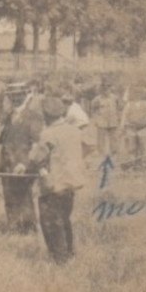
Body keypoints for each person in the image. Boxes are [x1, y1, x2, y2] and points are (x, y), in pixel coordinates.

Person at [20, 97, 86, 264]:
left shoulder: (48, 134)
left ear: (46, 116)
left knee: (50, 223)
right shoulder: (74, 131)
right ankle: (70, 254)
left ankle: (60, 261)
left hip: (52, 187)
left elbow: (36, 158)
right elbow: (88, 146)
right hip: (70, 186)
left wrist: (24, 168)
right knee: (64, 220)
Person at [0, 84, 44, 234]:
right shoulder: (6, 117)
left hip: (24, 164)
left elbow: (37, 144)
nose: (15, 99)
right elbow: (3, 142)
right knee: (8, 195)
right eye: (12, 96)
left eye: (19, 96)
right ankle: (13, 227)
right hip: (6, 163)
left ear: (25, 96)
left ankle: (29, 228)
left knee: (24, 195)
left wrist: (26, 164)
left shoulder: (33, 117)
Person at [121, 93, 146, 167]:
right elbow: (124, 116)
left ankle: (144, 163)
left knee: (144, 146)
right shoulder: (129, 104)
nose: (136, 96)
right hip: (131, 128)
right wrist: (123, 126)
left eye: (138, 94)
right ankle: (133, 163)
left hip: (143, 128)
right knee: (132, 147)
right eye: (134, 94)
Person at [90, 83, 121, 157]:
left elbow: (119, 108)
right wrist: (96, 119)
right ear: (101, 90)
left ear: (110, 89)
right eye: (103, 90)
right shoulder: (97, 99)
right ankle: (101, 152)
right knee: (101, 137)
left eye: (107, 89)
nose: (105, 91)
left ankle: (114, 151)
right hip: (102, 120)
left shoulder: (115, 98)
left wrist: (118, 117)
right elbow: (93, 109)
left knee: (114, 137)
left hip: (112, 119)